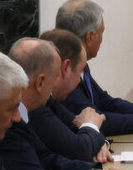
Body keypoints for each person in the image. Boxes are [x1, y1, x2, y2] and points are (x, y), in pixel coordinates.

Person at [0, 37, 133, 170]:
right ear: (41, 82)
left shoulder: (31, 107)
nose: (54, 87)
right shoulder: (8, 120)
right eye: (55, 77)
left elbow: (47, 160)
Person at [56, 0, 133, 133]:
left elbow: (104, 101)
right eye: (102, 32)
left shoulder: (77, 61)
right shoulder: (65, 72)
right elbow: (94, 120)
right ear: (90, 37)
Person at [28, 29, 114, 162]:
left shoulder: (49, 99)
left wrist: (98, 141)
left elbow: (81, 127)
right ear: (65, 67)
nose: (80, 80)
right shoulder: (35, 104)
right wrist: (92, 128)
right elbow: (78, 149)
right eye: (79, 72)